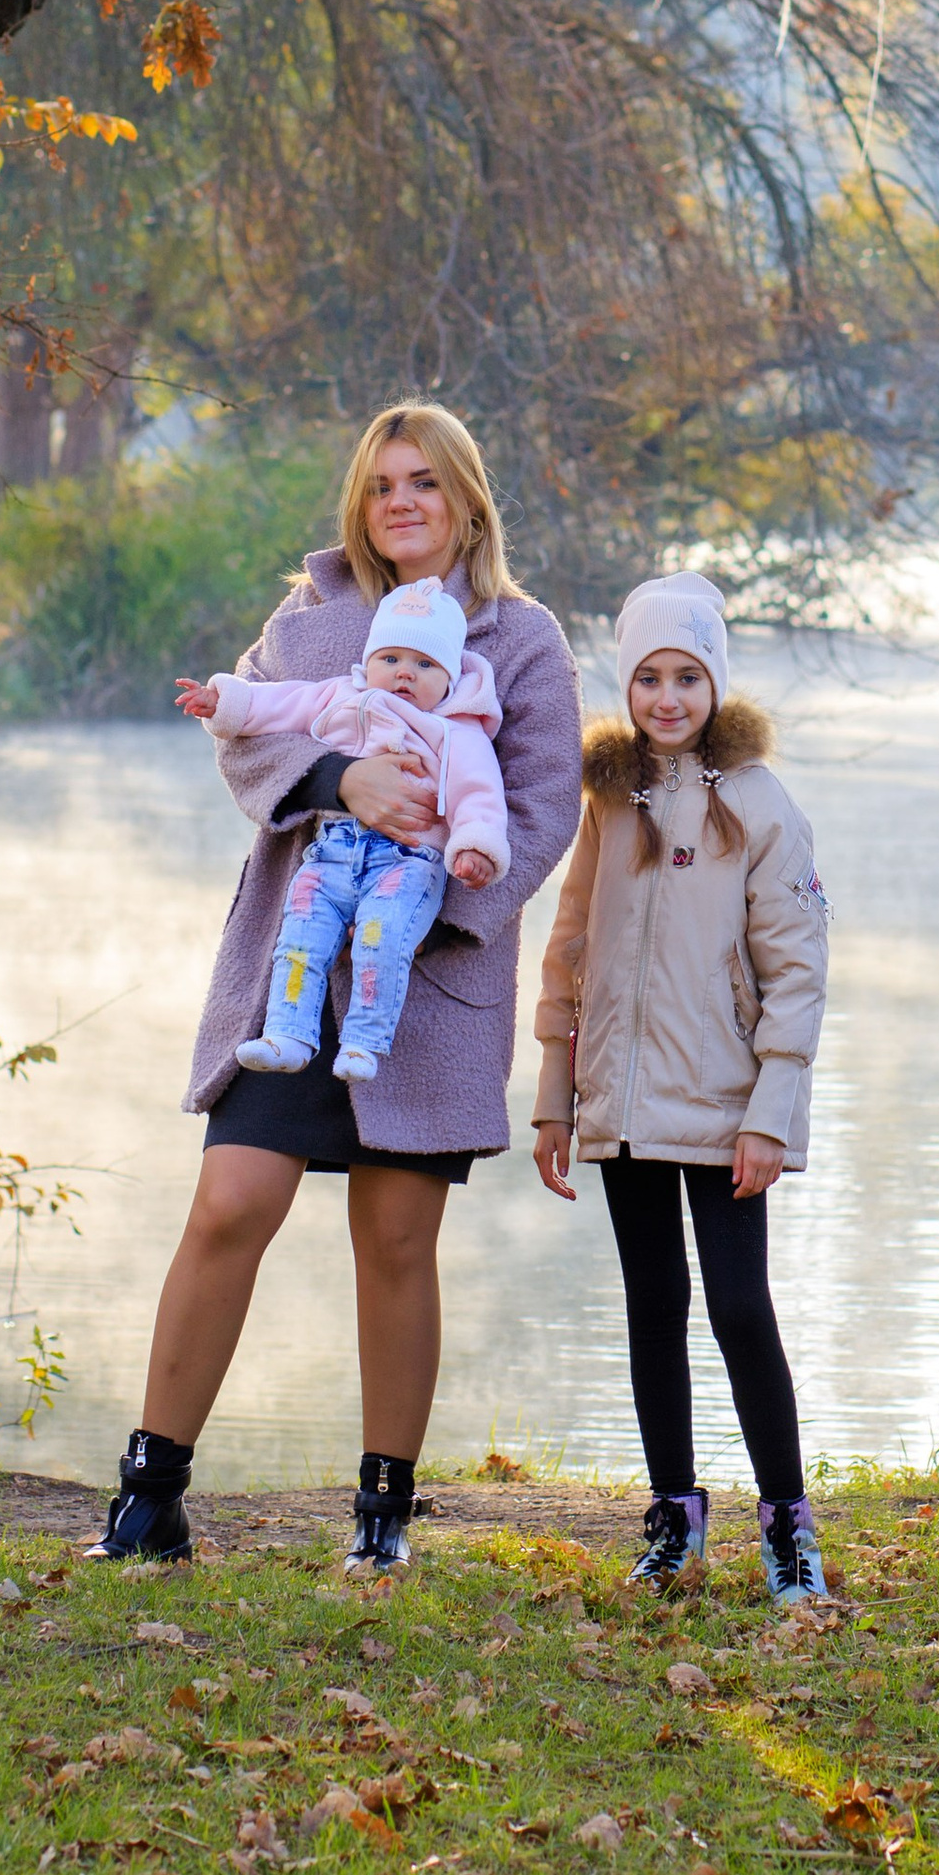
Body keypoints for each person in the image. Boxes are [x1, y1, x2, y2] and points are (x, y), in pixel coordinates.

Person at [89, 404, 582, 1576]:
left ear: (466, 500)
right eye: (380, 485)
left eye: (424, 482)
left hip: (430, 977)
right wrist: (339, 778)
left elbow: (543, 806)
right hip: (295, 973)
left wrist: (440, 905)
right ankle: (149, 1498)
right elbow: (247, 736)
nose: (400, 502)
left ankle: (383, 1517)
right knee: (230, 1204)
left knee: (396, 1241)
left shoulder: (520, 640)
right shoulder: (309, 622)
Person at [531, 570, 832, 1607]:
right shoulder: (608, 804)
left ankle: (786, 1524)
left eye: (687, 677)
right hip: (619, 1104)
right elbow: (570, 945)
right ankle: (673, 1517)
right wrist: (556, 1094)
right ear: (627, 686)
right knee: (653, 1304)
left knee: (740, 1308)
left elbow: (797, 970)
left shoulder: (758, 806)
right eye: (649, 678)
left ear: (715, 684)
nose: (667, 698)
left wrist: (770, 1116)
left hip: (722, 1105)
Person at [179, 573, 509, 1080]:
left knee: (382, 939)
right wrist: (224, 703)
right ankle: (288, 1034)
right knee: (300, 936)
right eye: (391, 659)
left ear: (450, 678)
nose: (405, 673)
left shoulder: (455, 732)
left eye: (425, 664)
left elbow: (480, 793)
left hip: (407, 862)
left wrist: (474, 845)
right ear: (369, 662)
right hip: (331, 852)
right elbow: (279, 703)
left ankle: (364, 1042)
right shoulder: (341, 695)